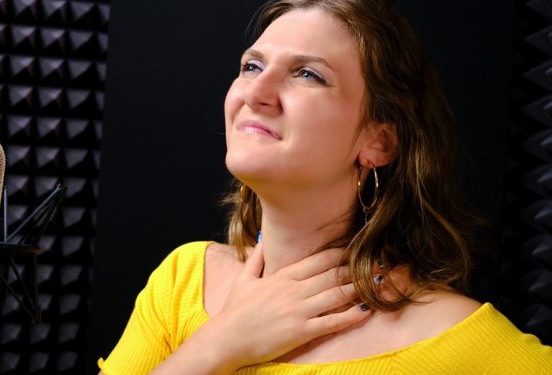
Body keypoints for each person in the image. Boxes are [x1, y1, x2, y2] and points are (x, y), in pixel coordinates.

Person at [98, 0, 552, 373]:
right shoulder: (181, 283)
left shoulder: (452, 338)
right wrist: (220, 344)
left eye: (308, 74)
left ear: (379, 141)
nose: (257, 92)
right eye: (252, 66)